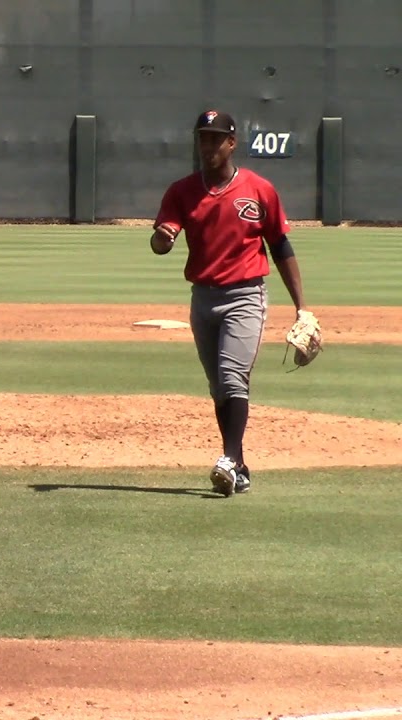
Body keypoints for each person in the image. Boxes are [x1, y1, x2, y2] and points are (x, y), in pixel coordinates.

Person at [151, 109, 311, 497]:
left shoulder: (259, 189)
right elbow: (159, 241)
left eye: (215, 138)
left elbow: (280, 246)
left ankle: (226, 458)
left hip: (246, 294)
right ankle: (238, 467)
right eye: (202, 138)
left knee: (231, 375)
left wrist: (301, 307)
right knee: (219, 387)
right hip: (203, 298)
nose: (208, 145)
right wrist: (163, 239)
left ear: (231, 143)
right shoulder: (181, 191)